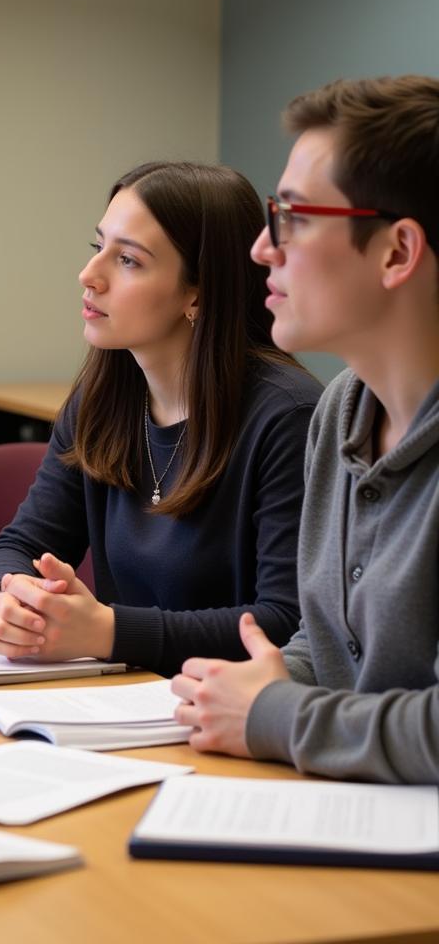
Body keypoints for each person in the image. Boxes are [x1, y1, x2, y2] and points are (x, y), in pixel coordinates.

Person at [172, 77, 439, 783]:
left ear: (396, 252)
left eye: (291, 217)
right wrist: (238, 686)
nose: (262, 248)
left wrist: (271, 714)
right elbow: (332, 653)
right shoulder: (342, 408)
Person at [0, 162, 322, 678]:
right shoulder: (102, 398)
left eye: (129, 261)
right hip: (127, 700)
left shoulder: (287, 417)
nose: (89, 276)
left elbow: (287, 625)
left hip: (231, 714)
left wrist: (106, 631)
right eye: (98, 248)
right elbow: (19, 548)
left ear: (197, 292)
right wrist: (15, 598)